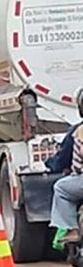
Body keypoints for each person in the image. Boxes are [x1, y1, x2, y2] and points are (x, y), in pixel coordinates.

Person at [48, 88, 83, 248]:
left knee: (61, 188)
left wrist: (50, 164)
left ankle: (72, 228)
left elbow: (61, 160)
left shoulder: (78, 131)